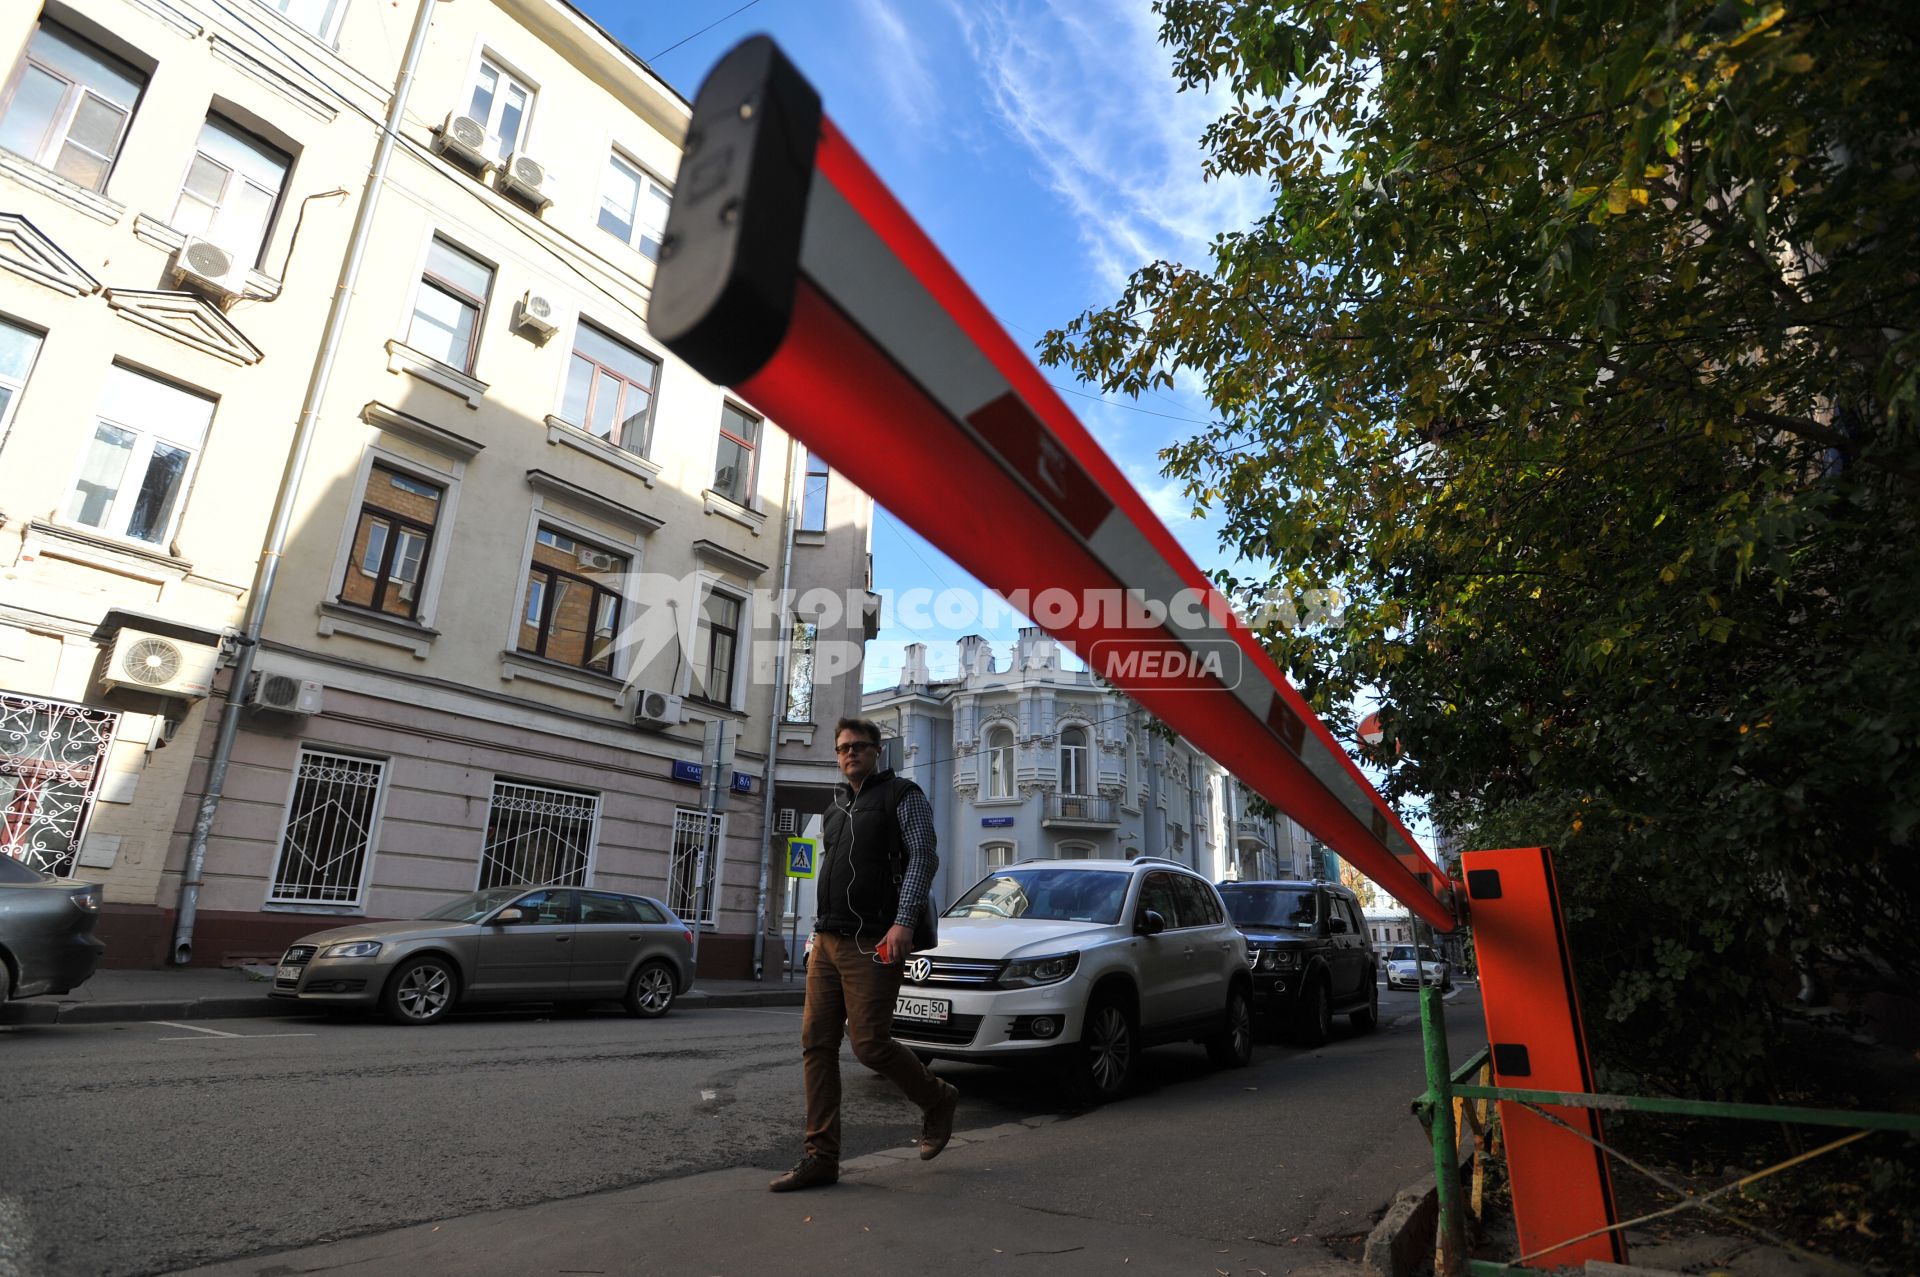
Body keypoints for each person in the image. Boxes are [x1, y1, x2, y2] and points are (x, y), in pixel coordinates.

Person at [769, 717, 958, 1192]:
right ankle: (821, 1157)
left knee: (870, 1044)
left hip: (874, 940)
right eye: (842, 748)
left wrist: (904, 922)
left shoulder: (902, 795)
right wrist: (816, 934)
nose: (849, 753)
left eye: (858, 746)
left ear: (877, 751)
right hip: (828, 940)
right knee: (816, 1044)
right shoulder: (834, 808)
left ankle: (937, 1099)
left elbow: (923, 856)